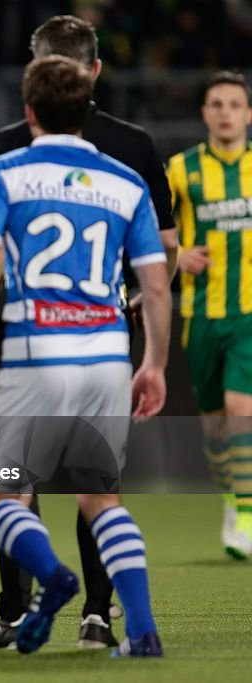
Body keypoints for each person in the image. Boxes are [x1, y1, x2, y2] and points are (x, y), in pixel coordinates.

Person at [0, 14, 178, 651]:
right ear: (95, 72)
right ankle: (100, 616)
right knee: (98, 486)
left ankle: (16, 608)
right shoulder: (134, 146)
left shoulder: (9, 145)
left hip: (27, 334)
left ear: (33, 84)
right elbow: (165, 252)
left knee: (8, 484)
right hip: (105, 333)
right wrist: (141, 308)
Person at [166, 70, 252, 560]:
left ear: (247, 114)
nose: (224, 112)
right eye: (216, 103)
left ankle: (245, 514)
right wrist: (180, 258)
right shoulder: (180, 170)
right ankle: (232, 497)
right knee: (215, 429)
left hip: (248, 313)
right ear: (204, 114)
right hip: (200, 315)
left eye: (233, 104)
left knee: (244, 411)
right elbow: (150, 234)